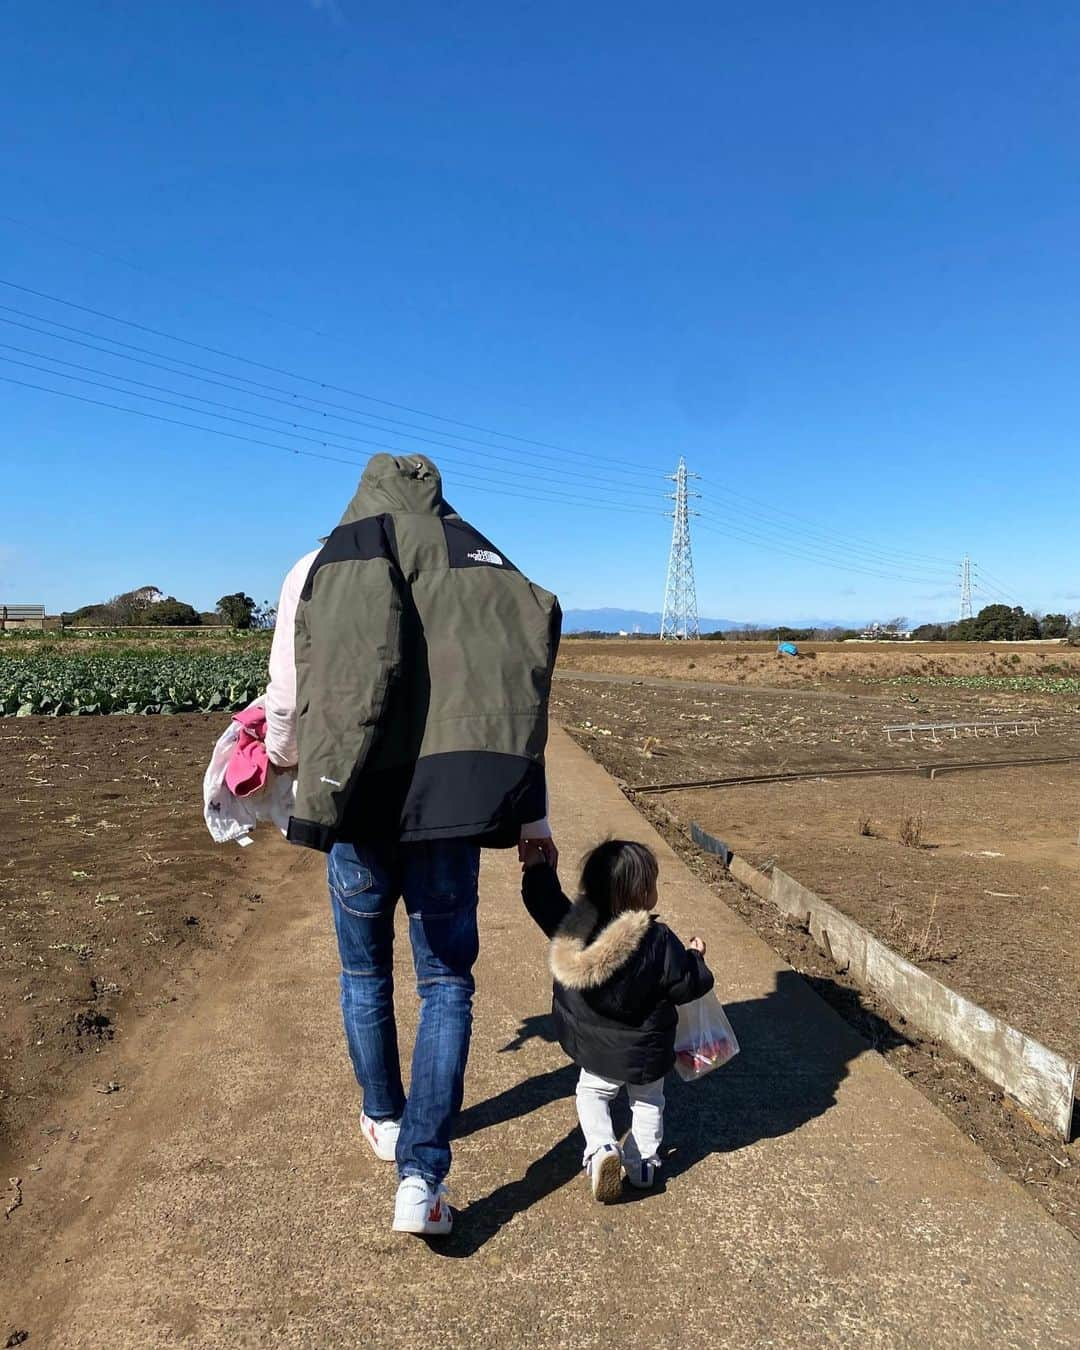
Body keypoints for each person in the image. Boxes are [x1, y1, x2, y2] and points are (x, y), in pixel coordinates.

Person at [265, 453, 560, 1237]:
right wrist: (534, 822)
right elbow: (518, 698)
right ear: (437, 495)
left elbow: (290, 701)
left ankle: (383, 1117)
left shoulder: (319, 562)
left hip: (360, 804)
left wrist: (286, 768)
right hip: (451, 810)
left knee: (364, 972)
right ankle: (421, 1176)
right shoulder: (482, 564)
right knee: (447, 984)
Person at [520, 839, 712, 1201]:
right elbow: (687, 985)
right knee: (649, 1102)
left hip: (597, 1051)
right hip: (646, 1053)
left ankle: (602, 1147)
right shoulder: (660, 941)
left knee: (592, 1093)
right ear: (643, 894)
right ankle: (642, 1165)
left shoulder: (578, 930)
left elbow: (543, 900)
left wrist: (535, 864)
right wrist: (697, 957)